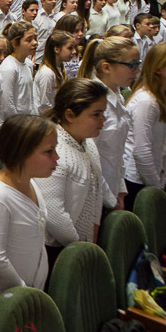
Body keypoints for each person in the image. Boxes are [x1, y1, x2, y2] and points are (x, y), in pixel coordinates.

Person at [0, 114, 58, 298]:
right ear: (22, 153)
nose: (56, 157)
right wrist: (24, 295)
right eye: (49, 151)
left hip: (30, 293)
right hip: (7, 298)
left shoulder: (32, 184)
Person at [36, 79, 107, 272]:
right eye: (96, 114)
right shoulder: (54, 149)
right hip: (56, 250)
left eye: (103, 113)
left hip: (80, 245)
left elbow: (97, 191)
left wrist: (92, 237)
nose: (103, 119)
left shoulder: (87, 143)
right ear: (70, 115)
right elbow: (54, 214)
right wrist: (79, 247)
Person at [78, 37, 138, 211]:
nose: (137, 71)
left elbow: (117, 153)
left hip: (112, 189)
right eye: (132, 65)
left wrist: (120, 190)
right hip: (94, 196)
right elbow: (89, 161)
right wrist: (110, 200)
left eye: (138, 64)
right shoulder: (93, 104)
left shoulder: (117, 96)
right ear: (106, 67)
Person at [122, 42, 166, 210]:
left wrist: (163, 177)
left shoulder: (163, 98)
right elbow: (142, 151)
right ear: (158, 69)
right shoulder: (146, 102)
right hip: (137, 180)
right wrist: (155, 187)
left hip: (152, 177)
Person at [0, 21, 38, 119]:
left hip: (27, 119)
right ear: (15, 43)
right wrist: (18, 124)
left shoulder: (28, 63)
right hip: (14, 122)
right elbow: (7, 104)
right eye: (29, 40)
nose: (35, 43)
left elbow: (30, 96)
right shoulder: (9, 68)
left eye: (35, 38)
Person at [34, 31, 76, 114]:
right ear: (57, 49)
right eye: (70, 48)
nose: (74, 51)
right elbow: (44, 106)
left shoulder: (60, 68)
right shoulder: (47, 73)